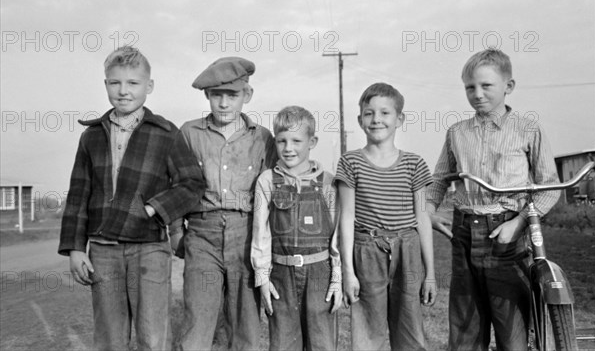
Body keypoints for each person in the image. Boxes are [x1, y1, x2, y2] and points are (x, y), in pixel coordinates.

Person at [58, 46, 204, 351]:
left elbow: (192, 183)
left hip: (149, 248)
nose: (123, 91)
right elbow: (78, 193)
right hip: (102, 249)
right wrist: (74, 248)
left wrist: (154, 208)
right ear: (106, 85)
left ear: (148, 86)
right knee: (110, 337)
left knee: (152, 336)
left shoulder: (165, 133)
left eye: (133, 83)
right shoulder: (92, 136)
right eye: (115, 83)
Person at [426, 48, 560, 351]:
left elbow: (550, 187)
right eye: (470, 87)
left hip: (506, 236)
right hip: (464, 233)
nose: (477, 93)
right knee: (465, 327)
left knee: (510, 327)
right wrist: (430, 213)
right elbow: (439, 180)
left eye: (486, 85)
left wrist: (519, 223)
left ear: (508, 87)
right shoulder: (457, 132)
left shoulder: (528, 129)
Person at [173, 56, 277, 351]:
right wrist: (176, 233)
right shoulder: (189, 133)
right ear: (207, 95)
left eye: (232, 95)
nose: (223, 103)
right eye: (216, 95)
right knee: (197, 319)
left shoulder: (263, 138)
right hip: (202, 234)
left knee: (245, 322)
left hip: (245, 234)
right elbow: (176, 185)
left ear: (247, 95)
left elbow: (272, 191)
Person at [336, 82, 436, 351]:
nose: (376, 119)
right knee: (369, 332)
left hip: (408, 250)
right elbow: (346, 217)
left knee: (410, 331)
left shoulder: (414, 163)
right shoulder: (350, 162)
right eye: (369, 113)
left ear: (399, 119)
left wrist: (431, 274)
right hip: (367, 250)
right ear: (360, 120)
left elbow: (423, 219)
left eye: (384, 113)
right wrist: (348, 272)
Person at [251, 106, 342, 350]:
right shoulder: (267, 180)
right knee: (282, 343)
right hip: (281, 275)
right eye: (281, 141)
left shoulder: (328, 182)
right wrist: (262, 277)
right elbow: (261, 233)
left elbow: (337, 236)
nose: (288, 148)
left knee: (322, 343)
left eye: (296, 140)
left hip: (320, 274)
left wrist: (336, 277)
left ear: (312, 141)